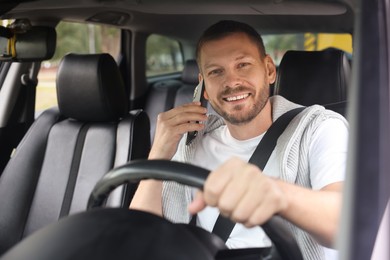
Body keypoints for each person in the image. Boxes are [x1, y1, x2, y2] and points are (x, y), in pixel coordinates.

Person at [130, 20, 348, 260]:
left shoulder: (320, 128)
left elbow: (345, 225)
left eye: (243, 65)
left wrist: (279, 194)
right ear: (204, 87)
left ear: (268, 70)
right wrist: (159, 151)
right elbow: (139, 237)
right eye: (216, 72)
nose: (232, 82)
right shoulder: (192, 140)